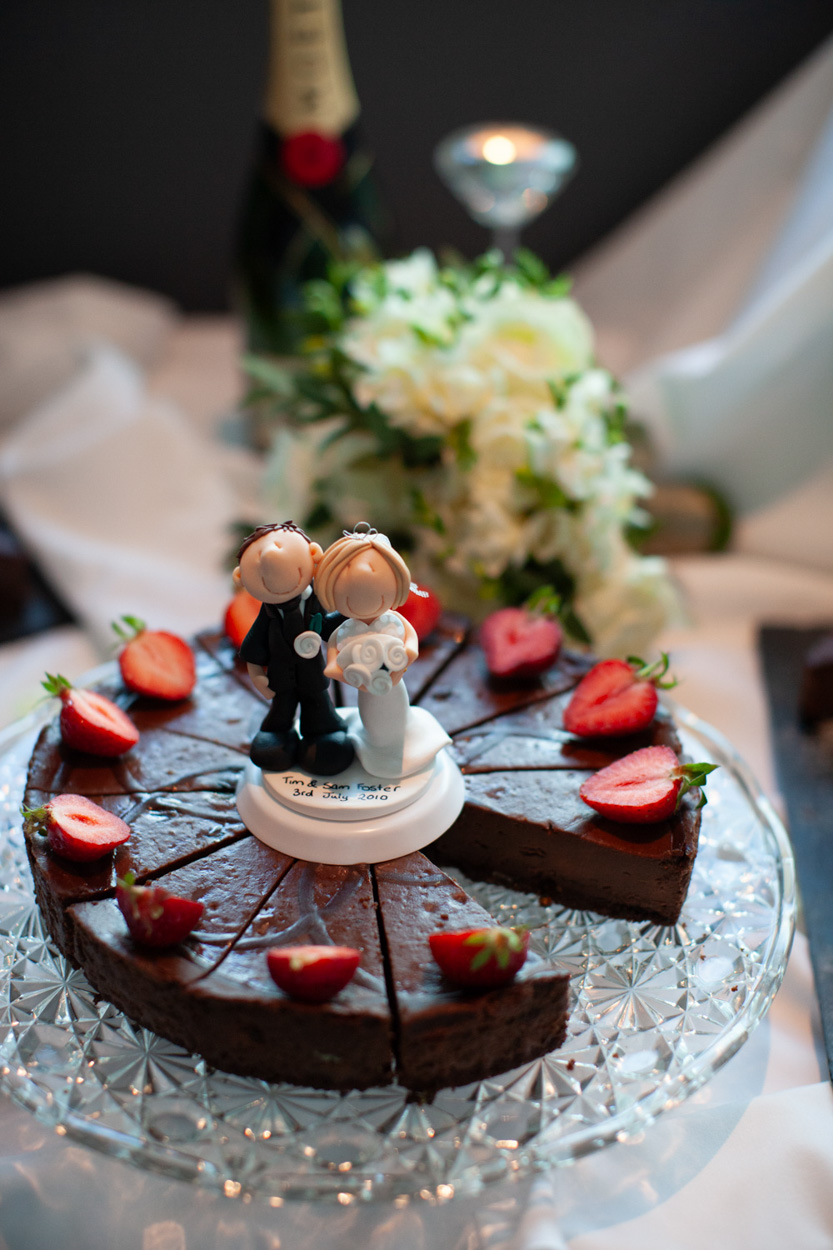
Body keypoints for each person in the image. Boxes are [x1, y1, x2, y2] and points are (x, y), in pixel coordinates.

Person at [315, 523, 450, 778]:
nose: (363, 601)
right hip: (367, 694)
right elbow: (332, 666)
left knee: (397, 720)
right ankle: (378, 747)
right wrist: (355, 677)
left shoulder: (395, 622)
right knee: (375, 727)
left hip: (394, 688)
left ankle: (396, 746)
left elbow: (411, 645)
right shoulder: (343, 633)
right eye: (350, 597)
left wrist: (400, 665)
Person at [233, 521, 354, 775]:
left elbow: (329, 629)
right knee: (280, 711)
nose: (271, 558)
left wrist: (354, 619)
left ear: (313, 554)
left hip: (313, 676)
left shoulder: (315, 604)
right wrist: (258, 677)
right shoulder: (268, 616)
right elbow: (254, 646)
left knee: (318, 707)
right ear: (240, 578)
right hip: (281, 680)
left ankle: (323, 734)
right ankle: (278, 736)